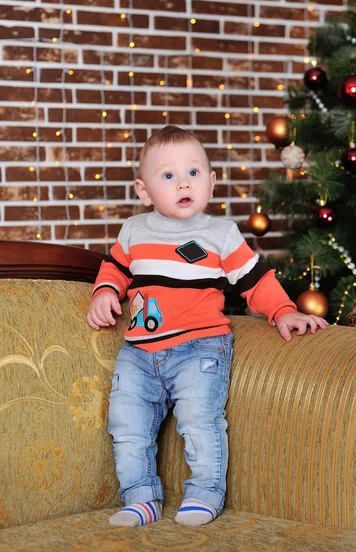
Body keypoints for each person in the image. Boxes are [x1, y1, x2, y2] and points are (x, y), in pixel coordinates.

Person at [87, 125, 328, 528]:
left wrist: (283, 311)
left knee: (200, 421)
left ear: (211, 182)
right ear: (144, 191)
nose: (183, 182)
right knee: (126, 423)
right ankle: (140, 497)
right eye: (168, 176)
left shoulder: (220, 235)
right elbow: (114, 268)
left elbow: (254, 281)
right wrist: (104, 292)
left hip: (199, 349)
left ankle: (204, 493)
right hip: (138, 353)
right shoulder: (134, 231)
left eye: (194, 173)